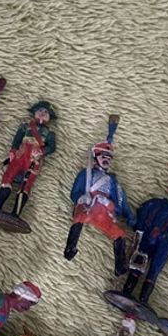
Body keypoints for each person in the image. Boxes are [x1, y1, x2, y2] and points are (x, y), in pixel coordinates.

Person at [64, 115, 135, 274]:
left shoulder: (112, 181)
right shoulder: (86, 174)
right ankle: (70, 247)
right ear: (96, 157)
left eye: (109, 157)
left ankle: (120, 264)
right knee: (80, 216)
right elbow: (75, 191)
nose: (107, 160)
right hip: (88, 203)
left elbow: (121, 200)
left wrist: (129, 215)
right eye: (104, 156)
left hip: (104, 209)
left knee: (118, 232)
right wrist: (81, 198)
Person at [121, 161, 168, 304]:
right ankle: (126, 291)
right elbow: (143, 210)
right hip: (147, 237)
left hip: (165, 243)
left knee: (154, 269)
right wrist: (140, 228)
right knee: (138, 263)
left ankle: (143, 300)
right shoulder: (157, 203)